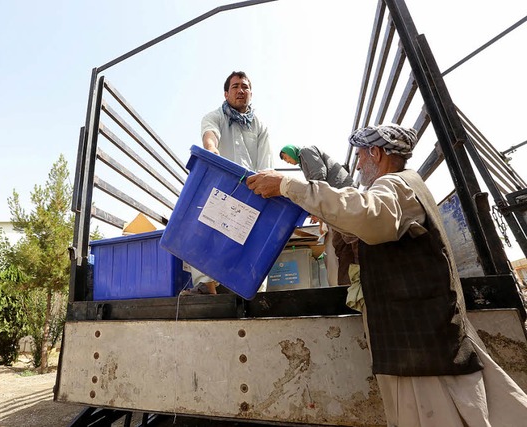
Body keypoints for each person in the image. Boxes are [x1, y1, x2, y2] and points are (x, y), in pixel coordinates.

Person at [248, 124, 527, 425]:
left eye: (358, 156)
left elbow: (367, 217)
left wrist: (288, 186)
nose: (355, 164)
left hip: (421, 352)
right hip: (421, 345)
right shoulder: (405, 186)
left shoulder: (394, 185)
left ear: (376, 154)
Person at [183, 71, 273, 295]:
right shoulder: (214, 116)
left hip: (252, 190)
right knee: (201, 228)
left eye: (245, 86)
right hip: (221, 186)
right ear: (226, 93)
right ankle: (206, 286)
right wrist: (211, 150)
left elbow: (265, 163)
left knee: (254, 241)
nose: (240, 90)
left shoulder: (260, 126)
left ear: (251, 93)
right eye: (235, 87)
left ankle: (253, 292)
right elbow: (210, 135)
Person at [279, 145, 357, 286]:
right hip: (337, 201)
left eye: (286, 157)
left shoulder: (305, 151)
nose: (287, 161)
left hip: (342, 196)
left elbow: (319, 175)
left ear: (291, 151)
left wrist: (315, 205)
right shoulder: (303, 161)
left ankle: (349, 287)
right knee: (341, 246)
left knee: (344, 245)